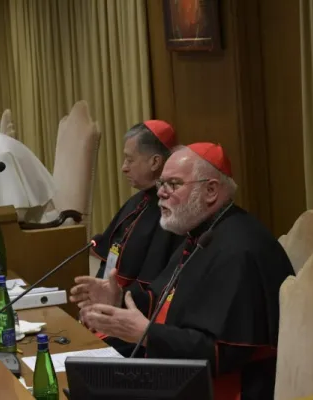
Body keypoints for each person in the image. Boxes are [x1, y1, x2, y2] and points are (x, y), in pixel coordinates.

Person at [70, 143, 294, 399]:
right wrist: (119, 298)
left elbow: (221, 353)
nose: (161, 194)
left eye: (173, 185)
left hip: (230, 389)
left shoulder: (240, 250)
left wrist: (146, 335)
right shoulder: (201, 233)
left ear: (210, 190)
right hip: (180, 377)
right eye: (160, 184)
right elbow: (169, 301)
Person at [89, 120, 184, 356]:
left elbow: (154, 287)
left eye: (130, 159)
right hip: (112, 308)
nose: (123, 167)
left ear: (155, 162)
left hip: (137, 321)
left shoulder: (172, 214)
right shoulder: (137, 201)